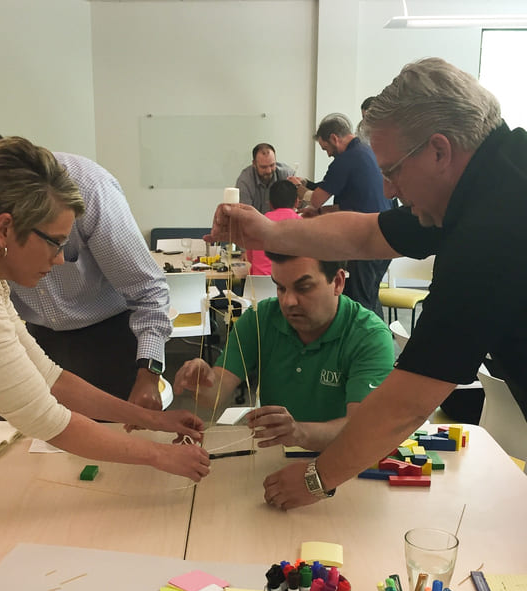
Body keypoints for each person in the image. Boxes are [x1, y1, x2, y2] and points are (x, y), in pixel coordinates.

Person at [208, 57, 527, 508]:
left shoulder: (496, 226)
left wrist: (318, 478)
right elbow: (369, 231)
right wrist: (270, 232)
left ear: (439, 150)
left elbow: (409, 402)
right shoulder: (489, 176)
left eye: (392, 170)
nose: (389, 188)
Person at [0, 136, 210, 481]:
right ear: (3, 229)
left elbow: (48, 376)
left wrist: (155, 420)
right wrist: (160, 454)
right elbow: (41, 415)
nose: (61, 258)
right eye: (55, 243)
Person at [0, 129, 171, 411]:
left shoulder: (87, 188)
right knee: (42, 447)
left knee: (115, 435)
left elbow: (148, 291)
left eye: (61, 243)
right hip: (40, 336)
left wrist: (148, 374)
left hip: (110, 335)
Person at [174, 253, 393, 451]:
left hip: (343, 455)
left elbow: (361, 429)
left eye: (304, 288)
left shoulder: (369, 336)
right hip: (275, 451)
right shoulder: (259, 319)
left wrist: (299, 433)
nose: (288, 301)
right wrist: (203, 382)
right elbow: (214, 396)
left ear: (337, 282)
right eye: (280, 288)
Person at [290, 113, 392, 317]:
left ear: (335, 138)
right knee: (369, 296)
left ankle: (368, 345)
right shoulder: (366, 151)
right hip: (386, 234)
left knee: (361, 301)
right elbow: (351, 203)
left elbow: (316, 199)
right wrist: (313, 195)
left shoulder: (346, 160)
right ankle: (377, 341)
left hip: (367, 241)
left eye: (326, 148)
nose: (328, 154)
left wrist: (300, 189)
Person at [245, 180, 300, 275]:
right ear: (297, 202)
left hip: (257, 287)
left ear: (270, 203)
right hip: (291, 286)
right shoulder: (303, 224)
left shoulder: (257, 224)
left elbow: (250, 258)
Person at [235, 143, 294, 214]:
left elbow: (300, 204)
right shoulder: (245, 181)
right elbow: (245, 215)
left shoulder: (287, 175)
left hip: (282, 223)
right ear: (254, 164)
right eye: (263, 167)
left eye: (272, 165)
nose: (269, 171)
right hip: (254, 223)